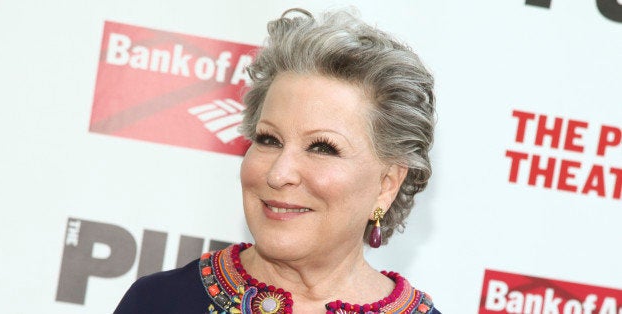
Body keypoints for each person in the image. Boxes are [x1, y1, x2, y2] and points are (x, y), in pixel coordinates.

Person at [115, 7, 439, 314]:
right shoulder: (158, 302)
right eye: (269, 140)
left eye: (322, 147)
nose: (279, 174)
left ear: (387, 184)